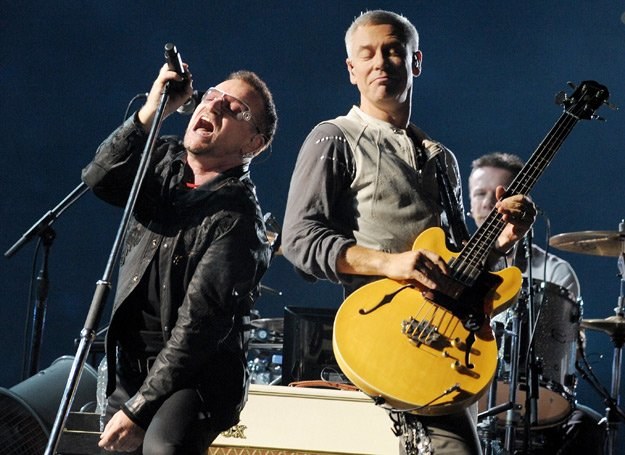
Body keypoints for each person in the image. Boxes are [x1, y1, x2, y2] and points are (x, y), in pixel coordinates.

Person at [282, 10, 536, 455]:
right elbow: (300, 239)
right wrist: (391, 262)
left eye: (393, 50)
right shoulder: (333, 137)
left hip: (437, 348)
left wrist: (497, 245)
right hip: (377, 338)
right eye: (368, 54)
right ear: (352, 70)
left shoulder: (442, 159)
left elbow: (459, 262)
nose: (381, 61)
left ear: (415, 62)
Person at [81, 60, 278, 454]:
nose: (215, 106)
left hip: (198, 374)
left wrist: (139, 411)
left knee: (163, 446)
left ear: (253, 144)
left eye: (235, 109)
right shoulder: (163, 167)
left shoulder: (237, 218)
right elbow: (99, 178)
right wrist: (154, 109)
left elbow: (197, 330)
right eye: (212, 97)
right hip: (135, 364)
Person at [468, 152, 605, 454]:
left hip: (530, 394)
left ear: (521, 201)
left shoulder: (555, 272)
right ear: (469, 204)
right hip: (464, 382)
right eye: (479, 194)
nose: (489, 204)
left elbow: (560, 353)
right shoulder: (456, 264)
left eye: (499, 195)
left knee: (590, 426)